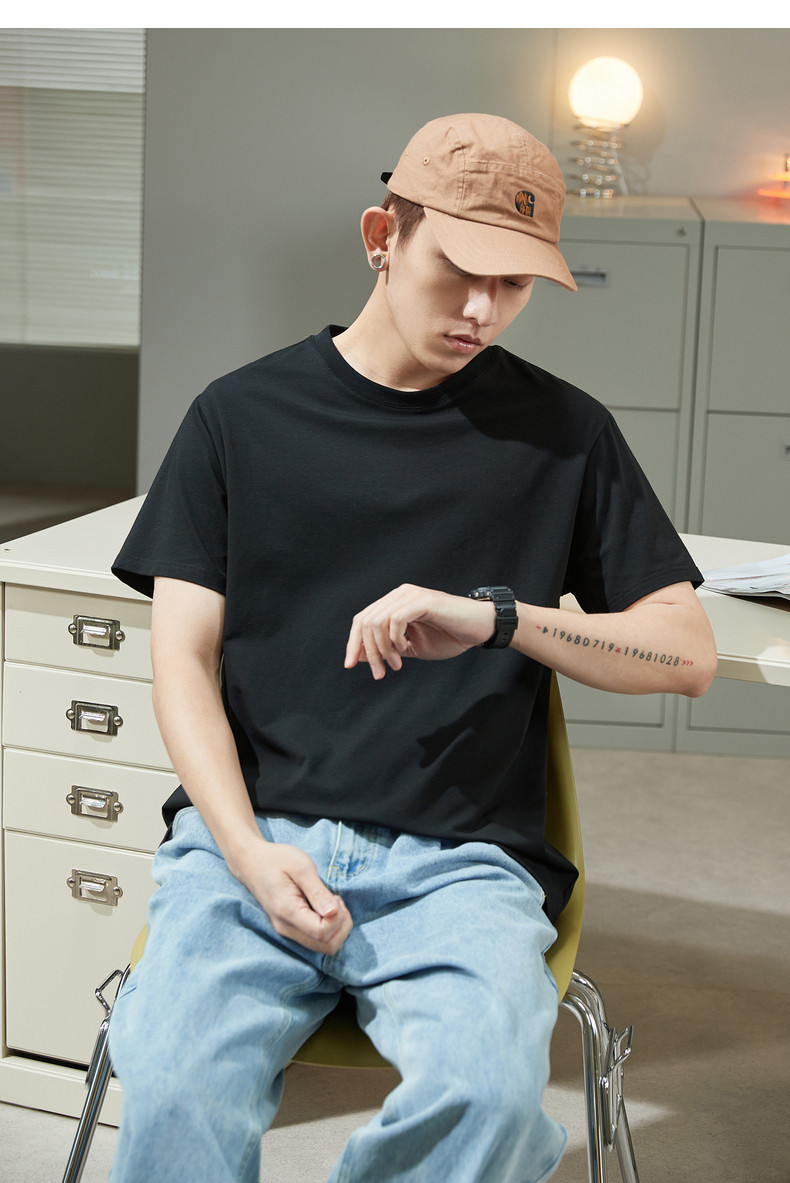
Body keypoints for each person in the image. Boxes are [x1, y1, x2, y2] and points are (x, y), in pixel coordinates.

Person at [107, 113, 717, 1183]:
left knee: (486, 1103)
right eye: (460, 271)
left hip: (463, 862)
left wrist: (499, 617)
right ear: (381, 236)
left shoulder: (565, 433)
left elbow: (686, 654)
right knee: (172, 1087)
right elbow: (181, 663)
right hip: (252, 838)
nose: (483, 310)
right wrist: (245, 850)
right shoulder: (236, 418)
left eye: (515, 285)